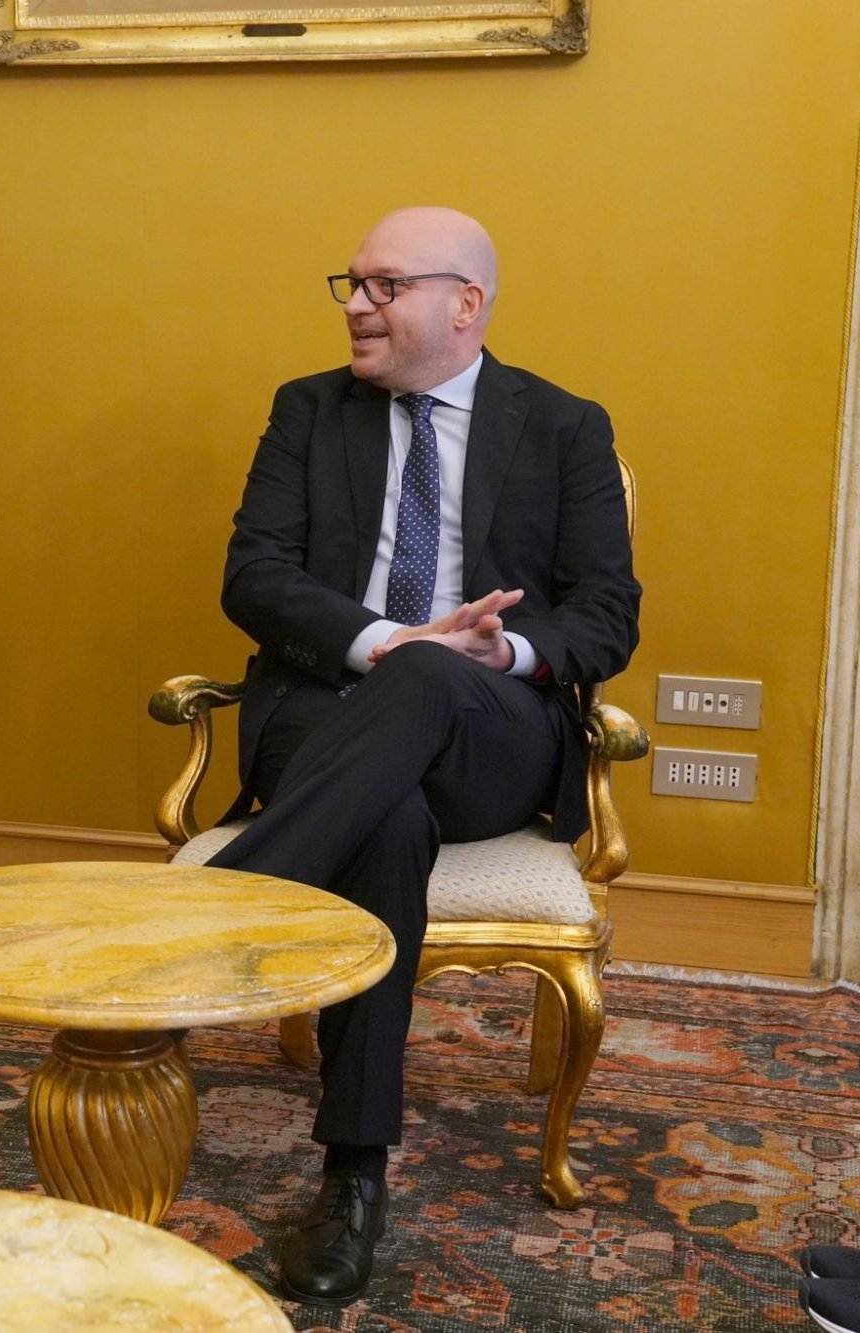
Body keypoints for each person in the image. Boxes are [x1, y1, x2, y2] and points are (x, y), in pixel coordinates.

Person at [205, 206, 640, 1307]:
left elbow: (606, 616)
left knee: (434, 679)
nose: (356, 305)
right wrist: (384, 642)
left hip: (489, 727)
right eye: (350, 283)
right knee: (386, 818)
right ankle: (352, 1177)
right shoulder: (307, 411)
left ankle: (207, 921)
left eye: (384, 286)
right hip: (326, 714)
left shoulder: (563, 426)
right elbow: (253, 577)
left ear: (464, 304)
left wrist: (505, 651)